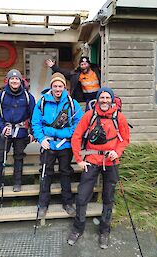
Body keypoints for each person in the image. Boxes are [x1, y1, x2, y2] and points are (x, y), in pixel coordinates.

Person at [67, 87, 130, 249]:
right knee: (82, 197)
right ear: (97, 99)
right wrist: (79, 159)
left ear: (112, 100)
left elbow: (125, 139)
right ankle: (78, 229)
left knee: (109, 198)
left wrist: (118, 152)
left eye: (107, 98)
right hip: (91, 160)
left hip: (111, 162)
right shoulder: (89, 116)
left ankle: (104, 231)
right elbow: (76, 136)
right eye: (102, 97)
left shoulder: (119, 117)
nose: (104, 100)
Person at [32, 72, 83, 218]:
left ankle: (67, 203)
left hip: (65, 146)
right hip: (47, 144)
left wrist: (59, 133)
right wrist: (41, 139)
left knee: (65, 173)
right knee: (45, 173)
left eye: (60, 86)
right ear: (51, 87)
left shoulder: (72, 104)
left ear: (64, 87)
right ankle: (43, 203)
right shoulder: (42, 102)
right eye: (55, 86)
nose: (58, 89)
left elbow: (77, 125)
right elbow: (36, 122)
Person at [0, 69, 35, 194]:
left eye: (17, 79)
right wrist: (1, 127)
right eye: (12, 79)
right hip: (5, 130)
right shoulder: (1, 95)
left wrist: (32, 132)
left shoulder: (28, 97)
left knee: (18, 157)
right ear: (8, 81)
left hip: (21, 132)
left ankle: (17, 183)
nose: (14, 81)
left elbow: (34, 115)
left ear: (21, 81)